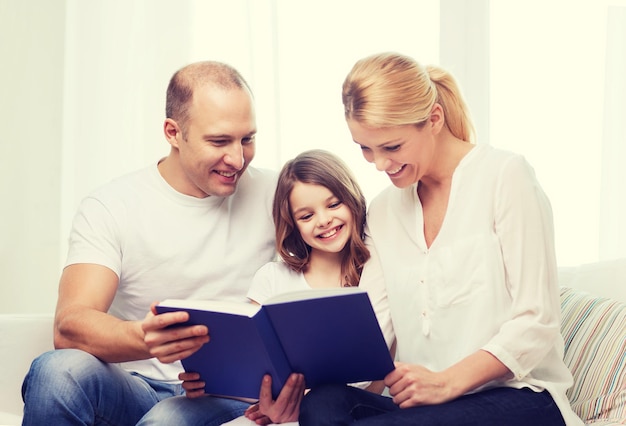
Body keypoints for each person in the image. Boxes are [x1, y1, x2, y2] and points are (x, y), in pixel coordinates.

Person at [298, 52, 584, 425]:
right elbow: (375, 327)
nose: (379, 164)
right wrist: (295, 388)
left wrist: (446, 382)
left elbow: (537, 322)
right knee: (323, 403)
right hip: (430, 409)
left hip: (521, 398)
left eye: (392, 147)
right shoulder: (384, 211)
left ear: (434, 119)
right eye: (365, 148)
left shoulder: (505, 177)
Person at [20, 60, 280, 426]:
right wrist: (142, 338)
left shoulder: (279, 195)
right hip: (136, 386)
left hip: (229, 396)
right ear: (173, 132)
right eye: (219, 141)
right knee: (57, 371)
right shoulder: (112, 205)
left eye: (247, 139)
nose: (238, 159)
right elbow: (70, 325)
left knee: (165, 422)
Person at [147, 149, 394, 425]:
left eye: (334, 204)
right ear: (293, 224)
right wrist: (209, 384)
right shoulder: (273, 278)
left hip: (348, 409)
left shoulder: (376, 272)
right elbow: (251, 363)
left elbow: (376, 377)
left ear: (352, 200)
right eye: (306, 216)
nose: (323, 220)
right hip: (279, 409)